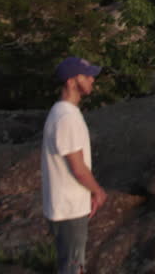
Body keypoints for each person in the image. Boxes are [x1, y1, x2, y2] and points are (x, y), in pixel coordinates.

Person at [41, 56, 108, 274]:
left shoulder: (63, 113)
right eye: (87, 76)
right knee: (71, 267)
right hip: (68, 209)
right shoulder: (66, 118)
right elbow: (78, 168)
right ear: (71, 82)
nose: (92, 80)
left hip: (68, 205)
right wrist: (97, 191)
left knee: (72, 264)